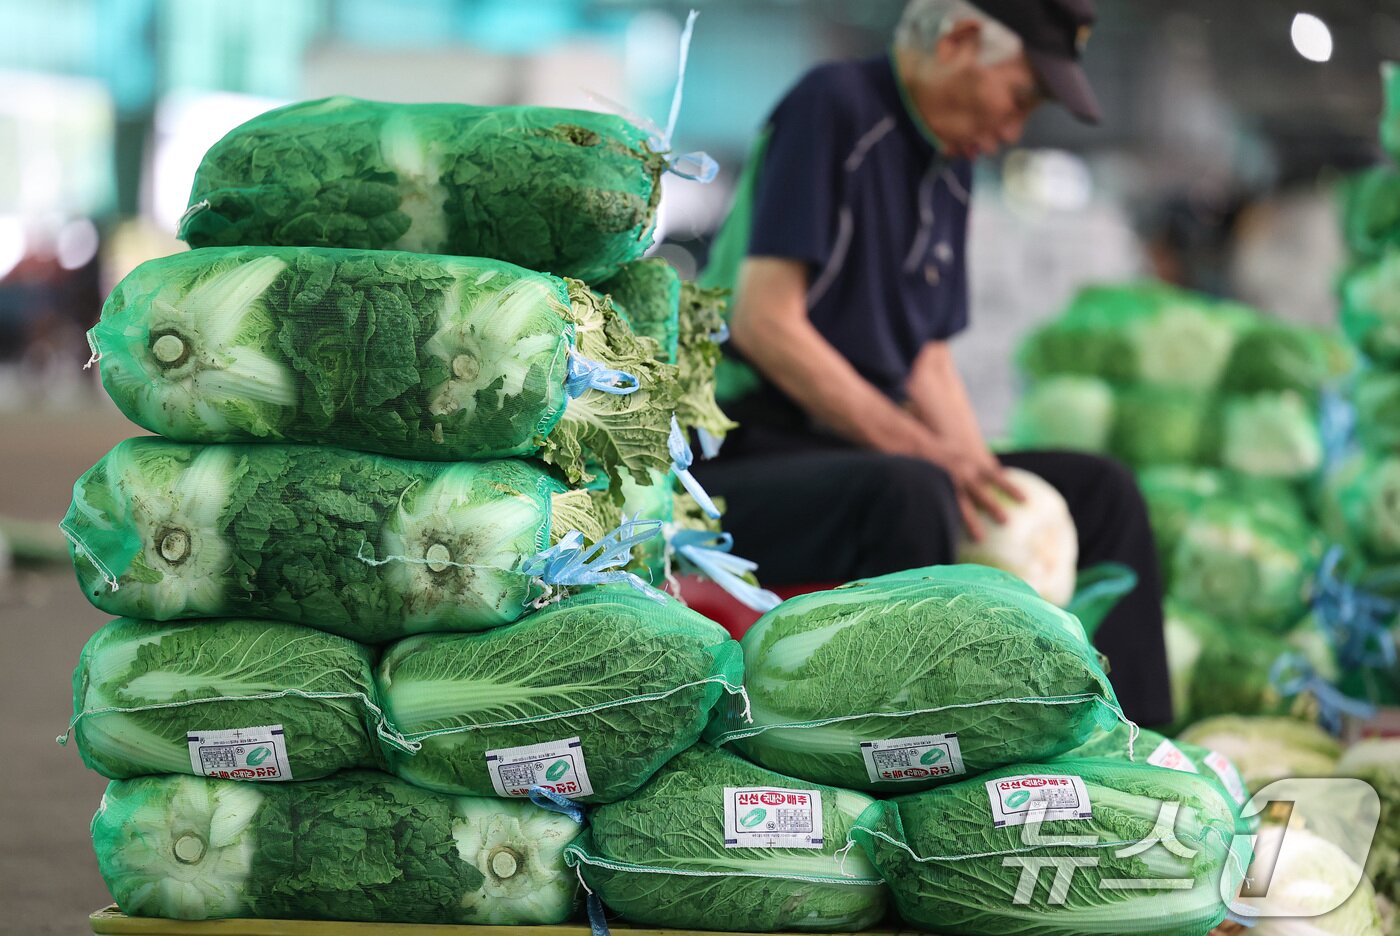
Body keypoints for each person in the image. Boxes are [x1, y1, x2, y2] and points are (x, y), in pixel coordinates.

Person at [694, 0, 1173, 726]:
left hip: (860, 454)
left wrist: (984, 474)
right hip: (742, 458)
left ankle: (1139, 746)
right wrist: (933, 456)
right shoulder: (835, 106)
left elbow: (926, 360)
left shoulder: (947, 162)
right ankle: (933, 757)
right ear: (960, 38)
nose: (1013, 131)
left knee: (1100, 492)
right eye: (1019, 98)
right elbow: (766, 323)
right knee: (914, 490)